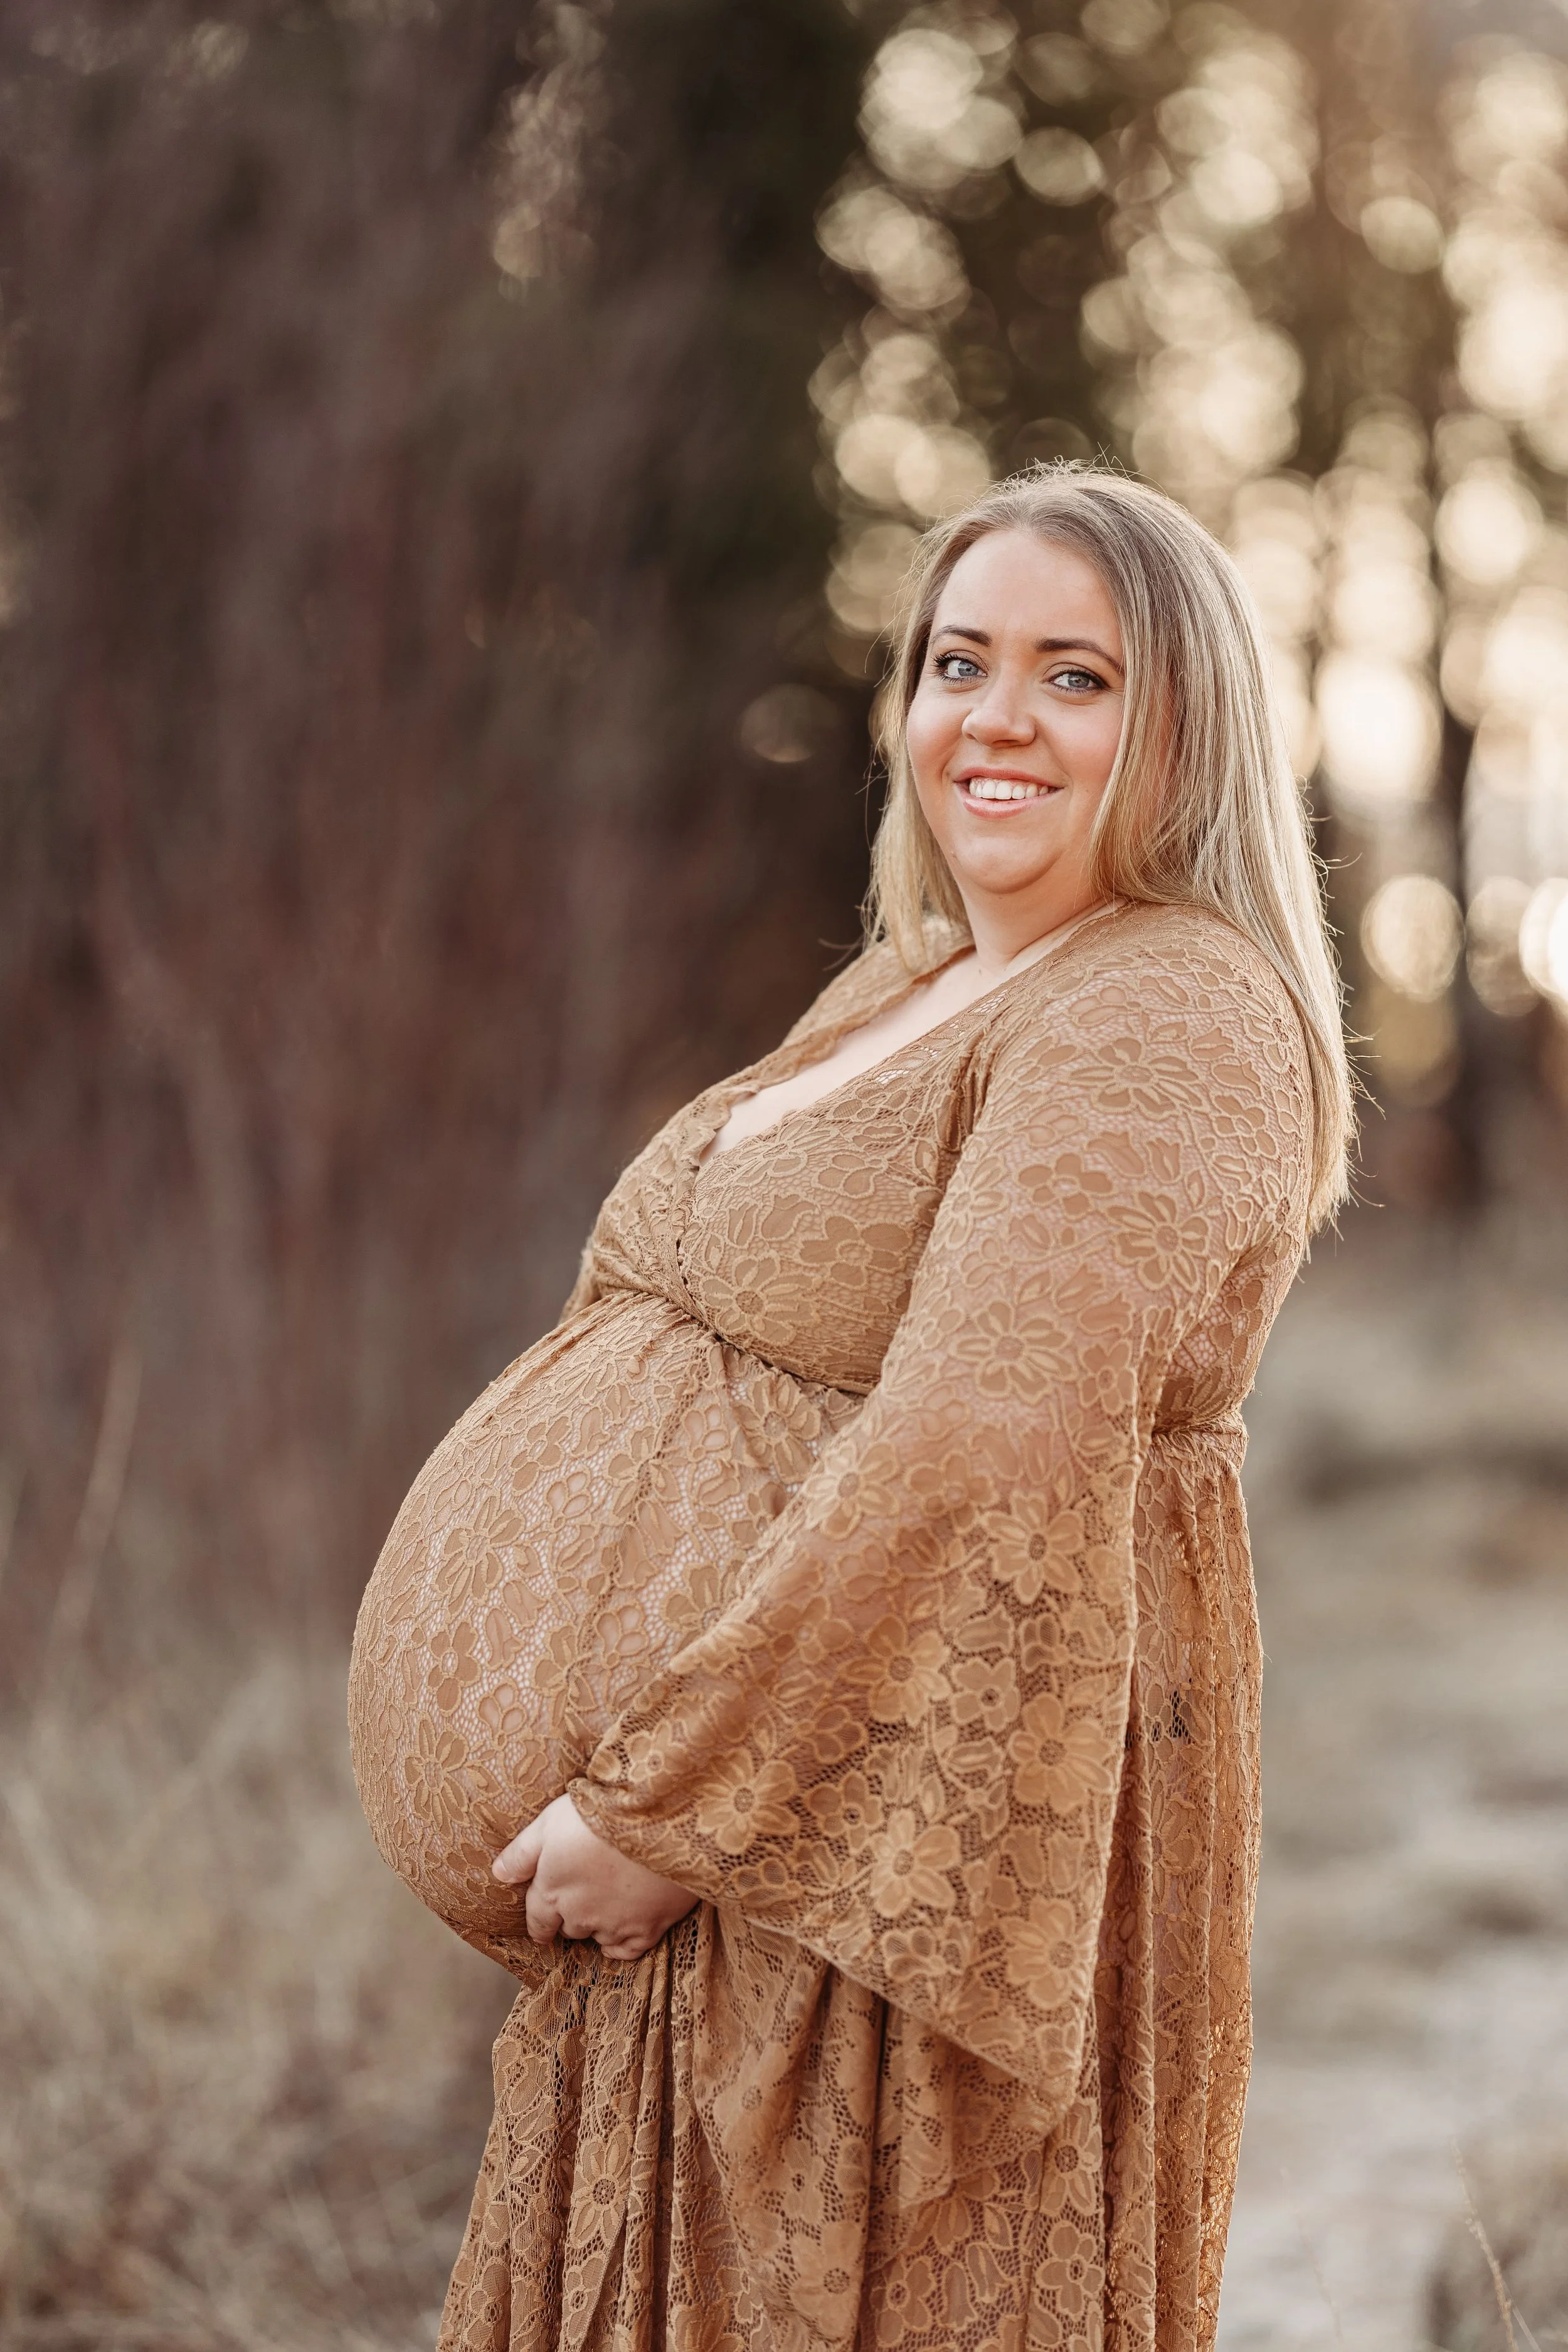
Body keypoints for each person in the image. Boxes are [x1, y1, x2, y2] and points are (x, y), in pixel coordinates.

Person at [348, 464, 1353, 2352]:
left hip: (851, 1841)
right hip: (726, 1853)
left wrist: (680, 1808)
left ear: (1187, 725)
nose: (996, 717)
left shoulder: (1165, 1011)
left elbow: (987, 1445)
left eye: (1075, 676)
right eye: (958, 661)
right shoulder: (920, 978)